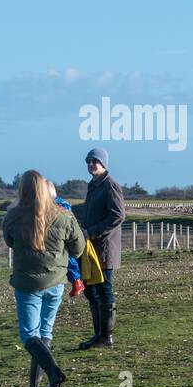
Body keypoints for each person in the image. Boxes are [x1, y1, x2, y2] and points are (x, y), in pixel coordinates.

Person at [3, 170, 86, 387]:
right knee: (45, 332)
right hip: (55, 282)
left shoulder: (13, 215)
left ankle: (54, 374)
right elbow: (79, 249)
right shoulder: (64, 215)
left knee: (30, 335)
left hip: (27, 283)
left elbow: (9, 241)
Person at [77, 147, 126, 349]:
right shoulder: (93, 185)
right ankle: (98, 335)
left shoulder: (110, 185)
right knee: (91, 290)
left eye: (94, 161)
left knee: (104, 289)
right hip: (90, 249)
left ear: (104, 163)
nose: (90, 164)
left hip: (104, 248)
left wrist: (93, 231)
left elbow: (118, 215)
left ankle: (106, 337)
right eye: (88, 161)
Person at [48, 180, 86, 297]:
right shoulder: (61, 203)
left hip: (63, 238)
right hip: (62, 236)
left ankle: (77, 281)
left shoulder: (59, 205)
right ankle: (76, 281)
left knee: (69, 258)